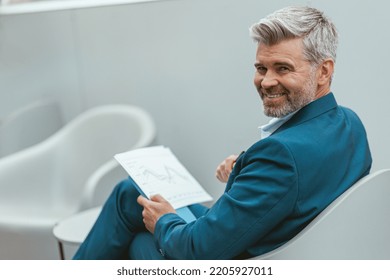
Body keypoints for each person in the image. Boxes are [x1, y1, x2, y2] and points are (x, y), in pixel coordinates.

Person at [73, 6, 372, 260]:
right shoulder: (349, 124)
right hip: (283, 243)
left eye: (283, 68)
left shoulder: (280, 156)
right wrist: (246, 169)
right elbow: (301, 182)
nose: (267, 82)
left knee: (138, 234)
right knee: (131, 192)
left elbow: (198, 252)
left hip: (241, 259)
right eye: (261, 68)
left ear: (323, 71)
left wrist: (164, 221)